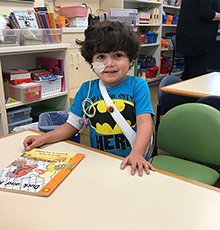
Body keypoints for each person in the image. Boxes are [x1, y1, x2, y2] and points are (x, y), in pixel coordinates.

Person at [23, 21, 155, 176]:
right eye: (101, 57)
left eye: (118, 55)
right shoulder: (87, 89)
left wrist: (137, 153)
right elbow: (72, 125)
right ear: (92, 62)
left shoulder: (138, 85)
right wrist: (44, 138)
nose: (109, 63)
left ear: (131, 60)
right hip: (99, 160)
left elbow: (145, 123)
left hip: (132, 162)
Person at [176, 0, 220, 80]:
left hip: (188, 35)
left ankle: (181, 91)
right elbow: (206, 12)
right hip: (197, 39)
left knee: (189, 72)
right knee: (197, 76)